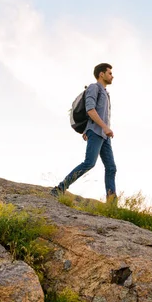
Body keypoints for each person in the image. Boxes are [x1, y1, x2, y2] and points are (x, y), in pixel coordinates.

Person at [51, 63, 117, 202]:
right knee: (89, 163)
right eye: (110, 73)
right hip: (96, 132)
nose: (112, 76)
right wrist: (104, 127)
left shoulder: (106, 93)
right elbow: (90, 110)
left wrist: (104, 130)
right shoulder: (94, 88)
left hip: (104, 136)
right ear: (101, 74)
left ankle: (112, 203)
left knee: (111, 168)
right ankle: (60, 188)